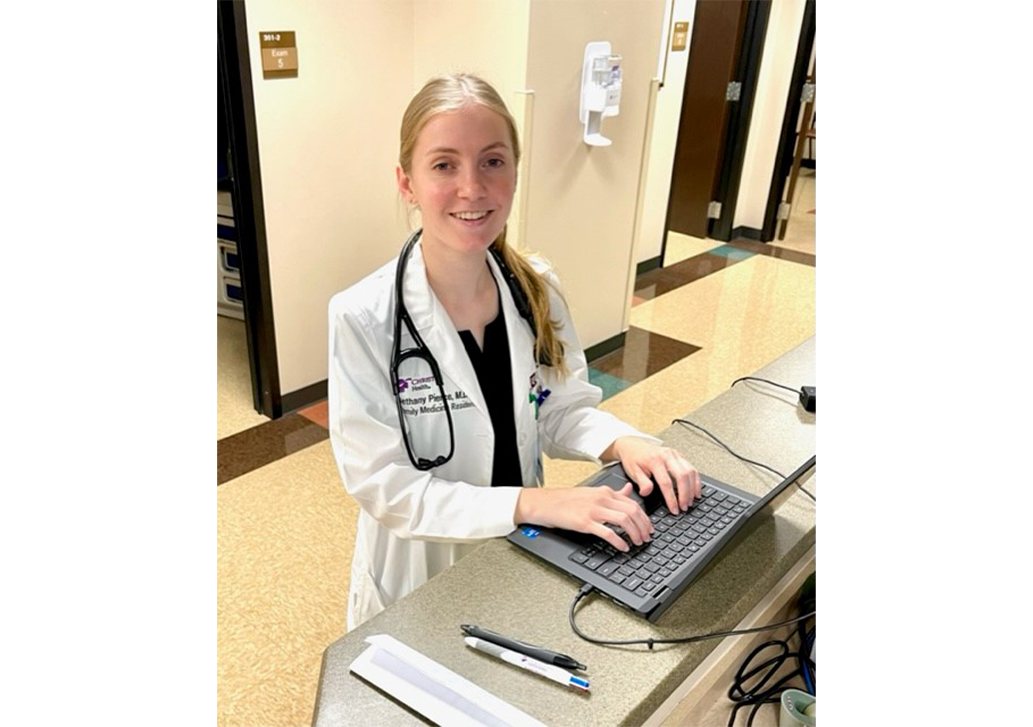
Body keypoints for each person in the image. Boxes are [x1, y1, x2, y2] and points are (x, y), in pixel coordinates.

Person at [328, 73, 701, 630]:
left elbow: (558, 407)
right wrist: (531, 503)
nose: (472, 187)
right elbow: (387, 489)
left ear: (516, 173)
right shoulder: (363, 316)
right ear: (406, 183)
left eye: (493, 161)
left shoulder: (534, 287)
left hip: (521, 550)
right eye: (444, 165)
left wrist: (622, 442)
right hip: (420, 575)